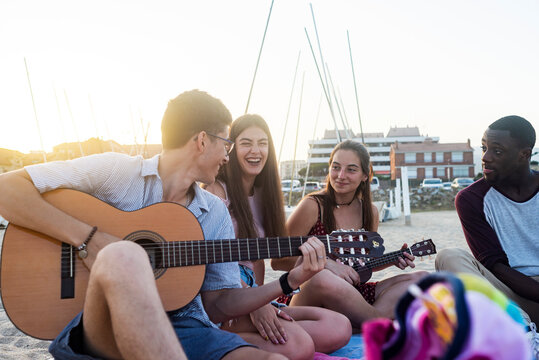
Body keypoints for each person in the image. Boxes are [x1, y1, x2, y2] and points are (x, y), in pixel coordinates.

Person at [0, 90, 328, 360]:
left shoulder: (214, 212)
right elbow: (6, 188)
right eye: (225, 144)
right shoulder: (117, 173)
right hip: (102, 321)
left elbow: (218, 306)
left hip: (185, 327)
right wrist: (88, 239)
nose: (227, 156)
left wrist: (290, 280)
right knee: (124, 257)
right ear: (202, 140)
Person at [205, 114, 351, 358]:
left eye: (262, 143)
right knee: (298, 345)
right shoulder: (216, 190)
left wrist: (261, 296)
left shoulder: (265, 194)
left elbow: (260, 260)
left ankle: (254, 336)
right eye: (246, 143)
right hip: (224, 293)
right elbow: (210, 264)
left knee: (338, 327)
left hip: (252, 291)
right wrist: (256, 304)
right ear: (231, 148)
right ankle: (215, 338)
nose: (256, 151)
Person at [271, 140, 428, 329]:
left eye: (351, 169)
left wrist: (392, 260)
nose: (341, 176)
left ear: (365, 175)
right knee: (323, 278)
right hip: (307, 294)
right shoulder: (313, 206)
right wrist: (326, 265)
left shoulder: (369, 212)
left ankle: (363, 321)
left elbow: (357, 268)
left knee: (422, 279)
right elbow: (277, 261)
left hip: (350, 294)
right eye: (336, 167)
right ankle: (374, 321)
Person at [435, 115, 539, 324]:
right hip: (510, 298)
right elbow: (495, 267)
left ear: (524, 154)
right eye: (484, 148)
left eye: (497, 151)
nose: (486, 157)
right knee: (449, 256)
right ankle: (523, 331)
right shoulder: (471, 199)